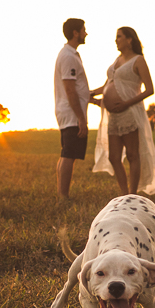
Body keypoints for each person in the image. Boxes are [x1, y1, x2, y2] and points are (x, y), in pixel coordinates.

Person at [92, 27, 155, 196]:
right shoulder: (117, 60)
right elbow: (106, 86)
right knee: (114, 157)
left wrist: (126, 103)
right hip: (114, 116)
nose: (116, 40)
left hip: (130, 113)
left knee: (133, 154)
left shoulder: (138, 60)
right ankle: (124, 193)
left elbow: (149, 89)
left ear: (129, 39)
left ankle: (132, 194)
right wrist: (89, 93)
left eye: (119, 37)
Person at [54, 18, 91, 200]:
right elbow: (70, 89)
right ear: (75, 33)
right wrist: (81, 118)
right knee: (68, 154)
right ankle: (63, 196)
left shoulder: (71, 54)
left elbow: (79, 90)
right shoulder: (68, 56)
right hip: (71, 113)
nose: (86, 33)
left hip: (69, 112)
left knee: (67, 153)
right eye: (83, 30)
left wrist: (96, 100)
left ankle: (63, 194)